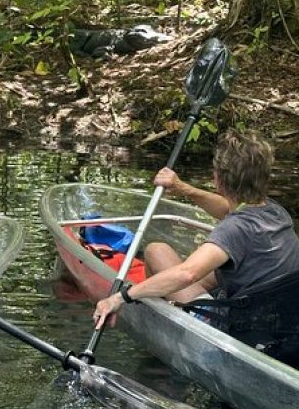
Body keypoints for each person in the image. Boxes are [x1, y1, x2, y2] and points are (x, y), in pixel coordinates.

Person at [93, 129, 299, 330]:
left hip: (235, 328)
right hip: (278, 317)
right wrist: (184, 189)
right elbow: (227, 208)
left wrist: (120, 297)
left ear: (217, 179)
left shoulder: (233, 229)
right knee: (212, 269)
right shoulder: (275, 212)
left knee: (156, 252)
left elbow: (187, 274)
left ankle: (162, 323)